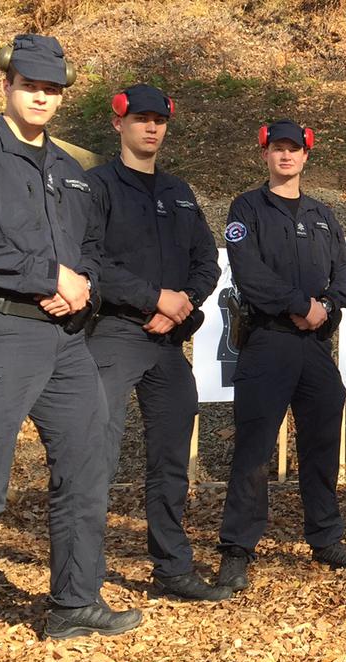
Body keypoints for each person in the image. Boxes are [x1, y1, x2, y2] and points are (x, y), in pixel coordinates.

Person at [0, 35, 141, 662]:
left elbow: (93, 252)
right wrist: (46, 274)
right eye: (29, 83)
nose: (41, 95)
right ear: (7, 85)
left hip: (68, 342)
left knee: (87, 465)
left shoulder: (72, 171)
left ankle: (73, 604)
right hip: (3, 335)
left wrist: (85, 287)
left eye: (53, 87)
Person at [85, 84, 227, 601]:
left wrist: (180, 303)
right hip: (113, 336)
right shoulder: (95, 186)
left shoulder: (180, 192)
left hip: (167, 344)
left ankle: (171, 568)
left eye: (159, 120)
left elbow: (207, 262)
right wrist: (153, 299)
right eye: (140, 118)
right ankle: (83, 580)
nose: (151, 127)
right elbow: (90, 261)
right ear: (118, 122)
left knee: (170, 462)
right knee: (94, 457)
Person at [215, 119, 346, 589]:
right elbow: (249, 273)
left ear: (305, 156)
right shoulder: (247, 208)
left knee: (321, 444)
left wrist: (327, 308)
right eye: (277, 149)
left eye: (293, 150)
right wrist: (301, 306)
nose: (285, 157)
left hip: (315, 346)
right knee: (254, 449)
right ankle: (237, 548)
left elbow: (345, 274)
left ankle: (325, 538)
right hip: (268, 341)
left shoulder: (322, 214)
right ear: (265, 155)